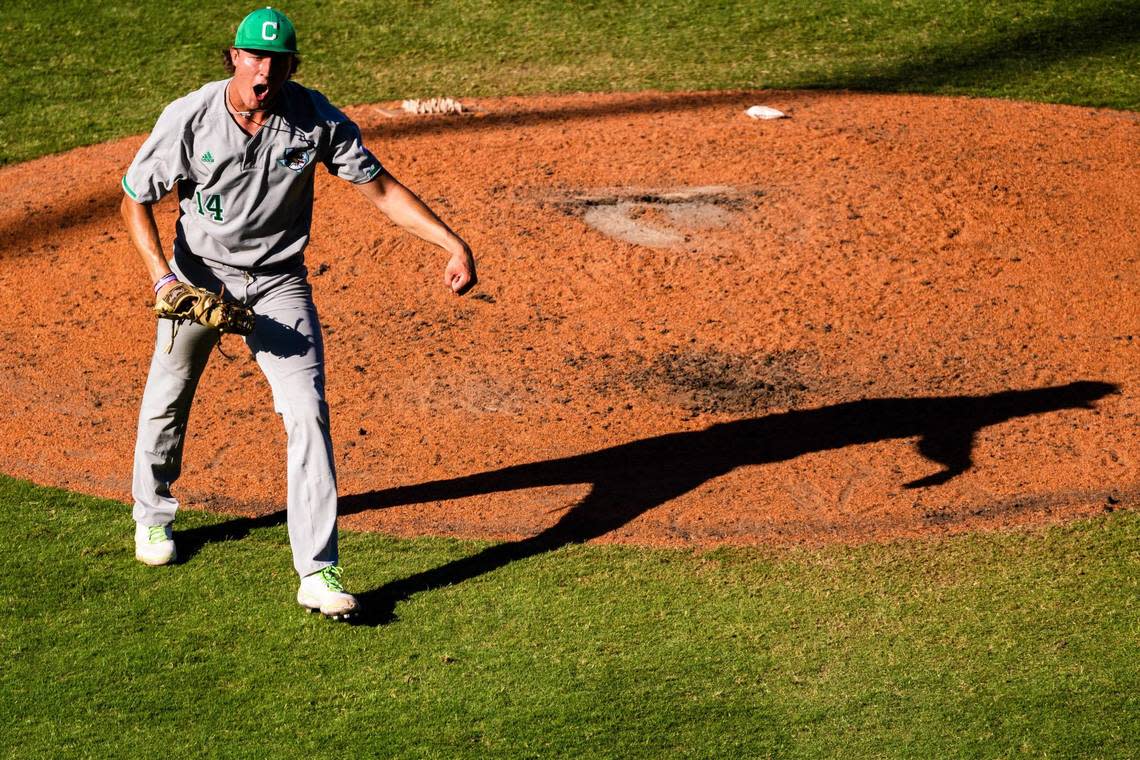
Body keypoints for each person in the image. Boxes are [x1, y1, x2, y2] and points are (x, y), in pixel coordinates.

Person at [120, 7, 476, 620]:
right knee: (168, 397)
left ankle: (317, 569)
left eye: (276, 60)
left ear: (291, 66)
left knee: (308, 411)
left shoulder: (314, 118)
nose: (263, 71)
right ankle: (152, 517)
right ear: (232, 57)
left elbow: (382, 189)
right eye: (253, 57)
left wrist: (452, 243)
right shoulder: (191, 116)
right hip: (198, 279)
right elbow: (134, 198)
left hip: (279, 286)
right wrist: (164, 277)